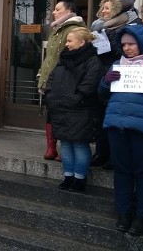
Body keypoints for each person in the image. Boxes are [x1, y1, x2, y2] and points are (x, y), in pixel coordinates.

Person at [99, 24, 143, 236]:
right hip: (117, 127)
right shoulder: (118, 64)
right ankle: (123, 213)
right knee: (122, 173)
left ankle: (142, 217)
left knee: (142, 175)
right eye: (124, 44)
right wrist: (105, 82)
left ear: (142, 43)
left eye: (131, 44)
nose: (127, 48)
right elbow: (101, 94)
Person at [45, 27, 103, 193]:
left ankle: (80, 179)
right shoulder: (63, 60)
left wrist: (74, 100)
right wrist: (51, 98)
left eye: (70, 41)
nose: (67, 44)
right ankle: (68, 176)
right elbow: (52, 79)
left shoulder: (92, 61)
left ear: (82, 42)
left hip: (81, 110)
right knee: (66, 144)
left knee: (79, 145)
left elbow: (89, 85)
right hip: (61, 109)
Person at [90, 0, 140, 169]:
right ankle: (101, 153)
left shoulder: (129, 26)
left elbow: (125, 54)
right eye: (102, 7)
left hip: (118, 78)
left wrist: (107, 47)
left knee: (115, 121)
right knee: (101, 118)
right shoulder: (97, 28)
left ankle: (112, 156)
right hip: (100, 78)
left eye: (108, 8)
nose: (103, 11)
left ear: (117, 10)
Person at [37, 0, 85, 160]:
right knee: (51, 112)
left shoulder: (75, 28)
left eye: (58, 9)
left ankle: (65, 148)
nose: (53, 12)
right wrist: (41, 73)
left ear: (68, 10)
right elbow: (50, 56)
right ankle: (51, 148)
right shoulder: (57, 29)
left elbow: (74, 56)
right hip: (52, 78)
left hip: (65, 79)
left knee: (63, 113)